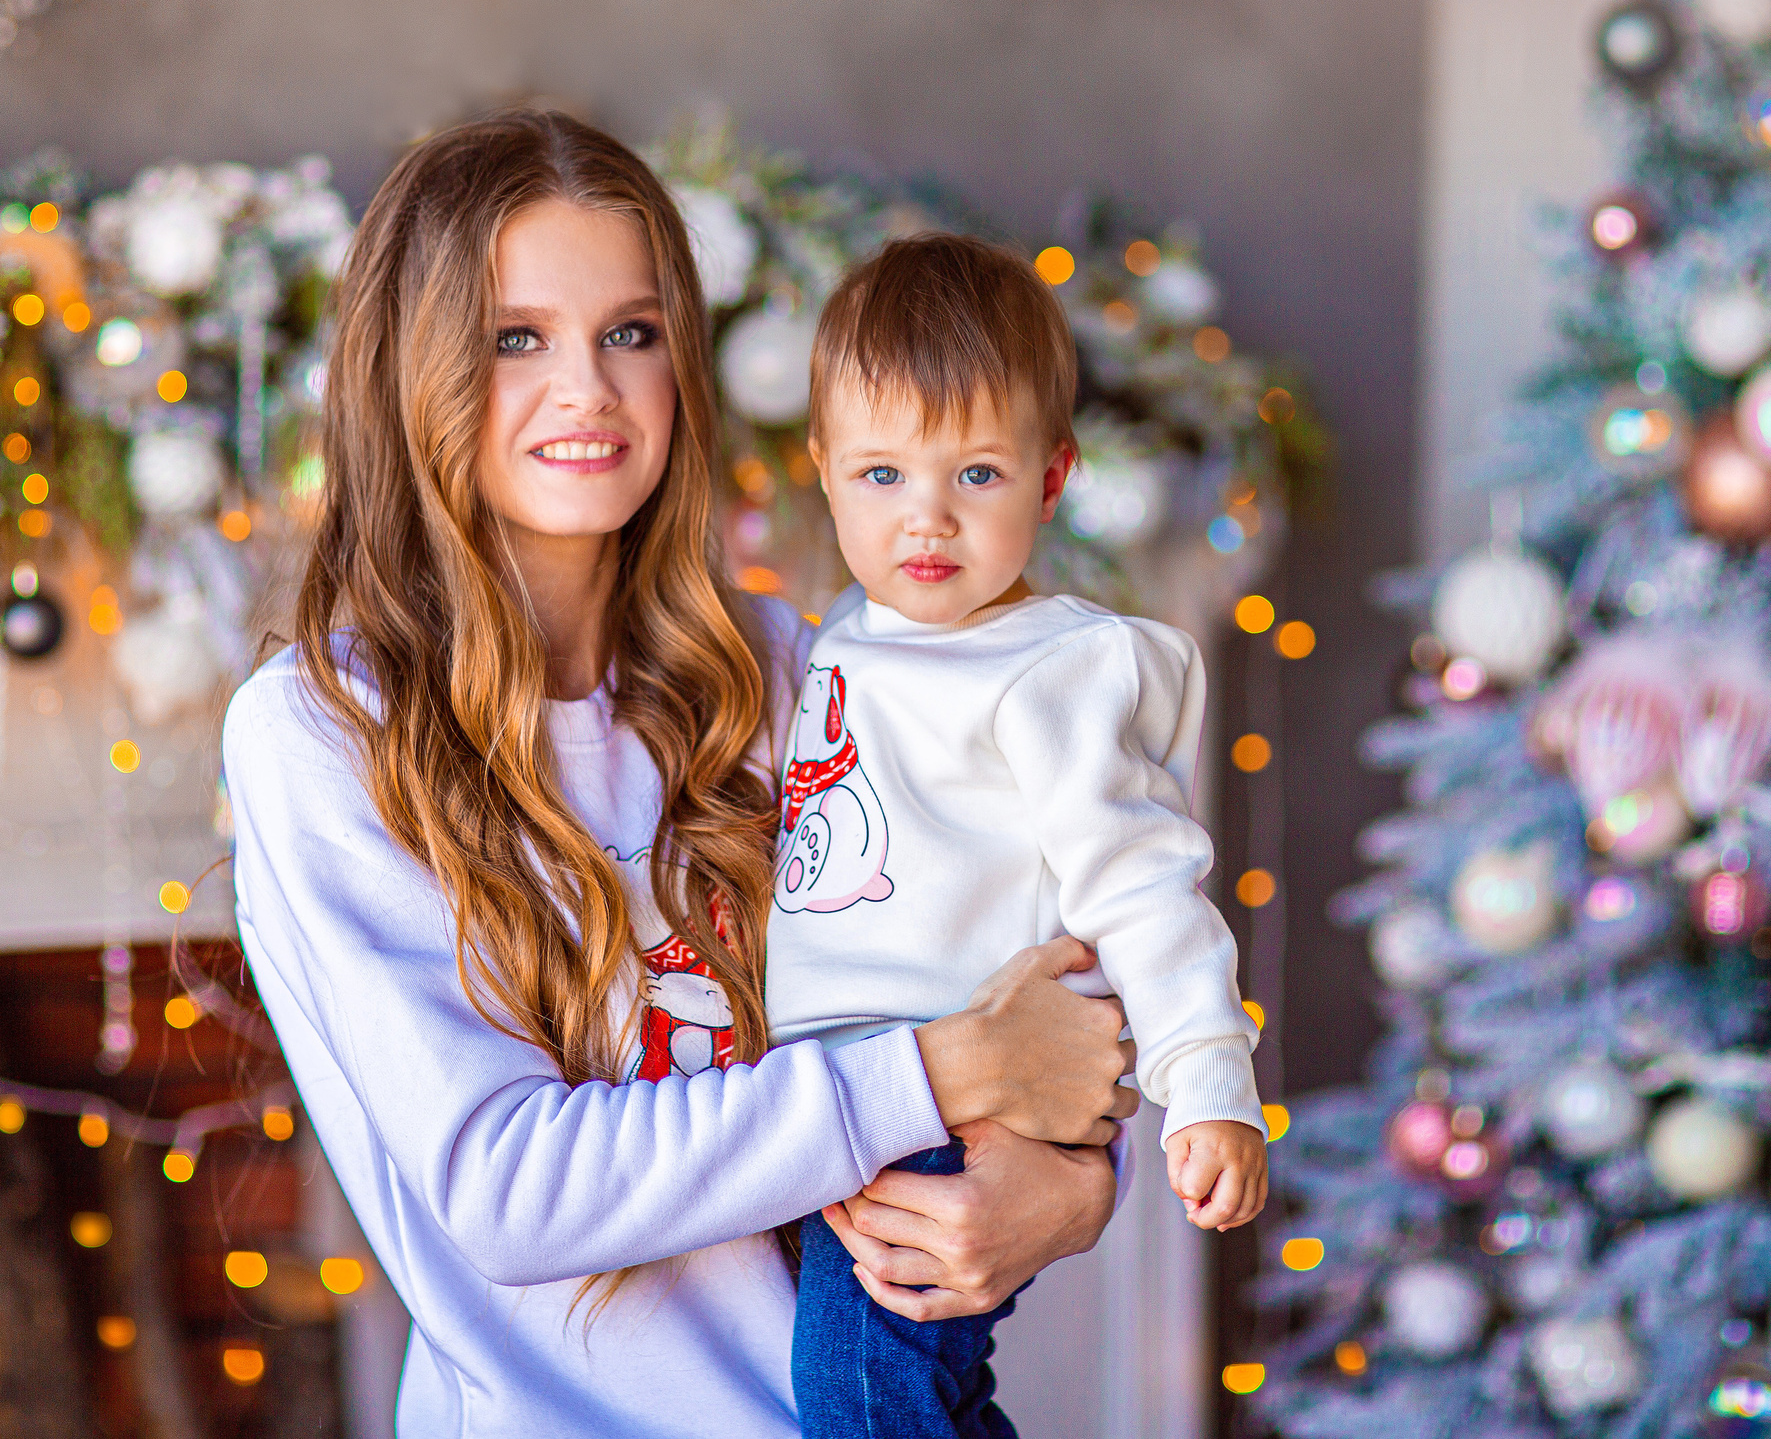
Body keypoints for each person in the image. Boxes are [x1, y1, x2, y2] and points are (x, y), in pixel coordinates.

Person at [223, 111, 1136, 1438]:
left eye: (631, 332)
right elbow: (508, 1192)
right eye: (516, 337)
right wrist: (937, 1075)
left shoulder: (783, 668)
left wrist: (1074, 1190)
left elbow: (1031, 988)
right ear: (413, 369)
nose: (587, 387)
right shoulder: (327, 730)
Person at [774, 234, 1270, 1439]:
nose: (926, 518)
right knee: (930, 1398)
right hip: (851, 1096)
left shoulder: (1052, 672)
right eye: (881, 473)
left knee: (859, 1397)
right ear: (823, 473)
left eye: (977, 474)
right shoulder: (843, 637)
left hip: (955, 1108)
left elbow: (1145, 889)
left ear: (1051, 481)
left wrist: (1210, 1087)